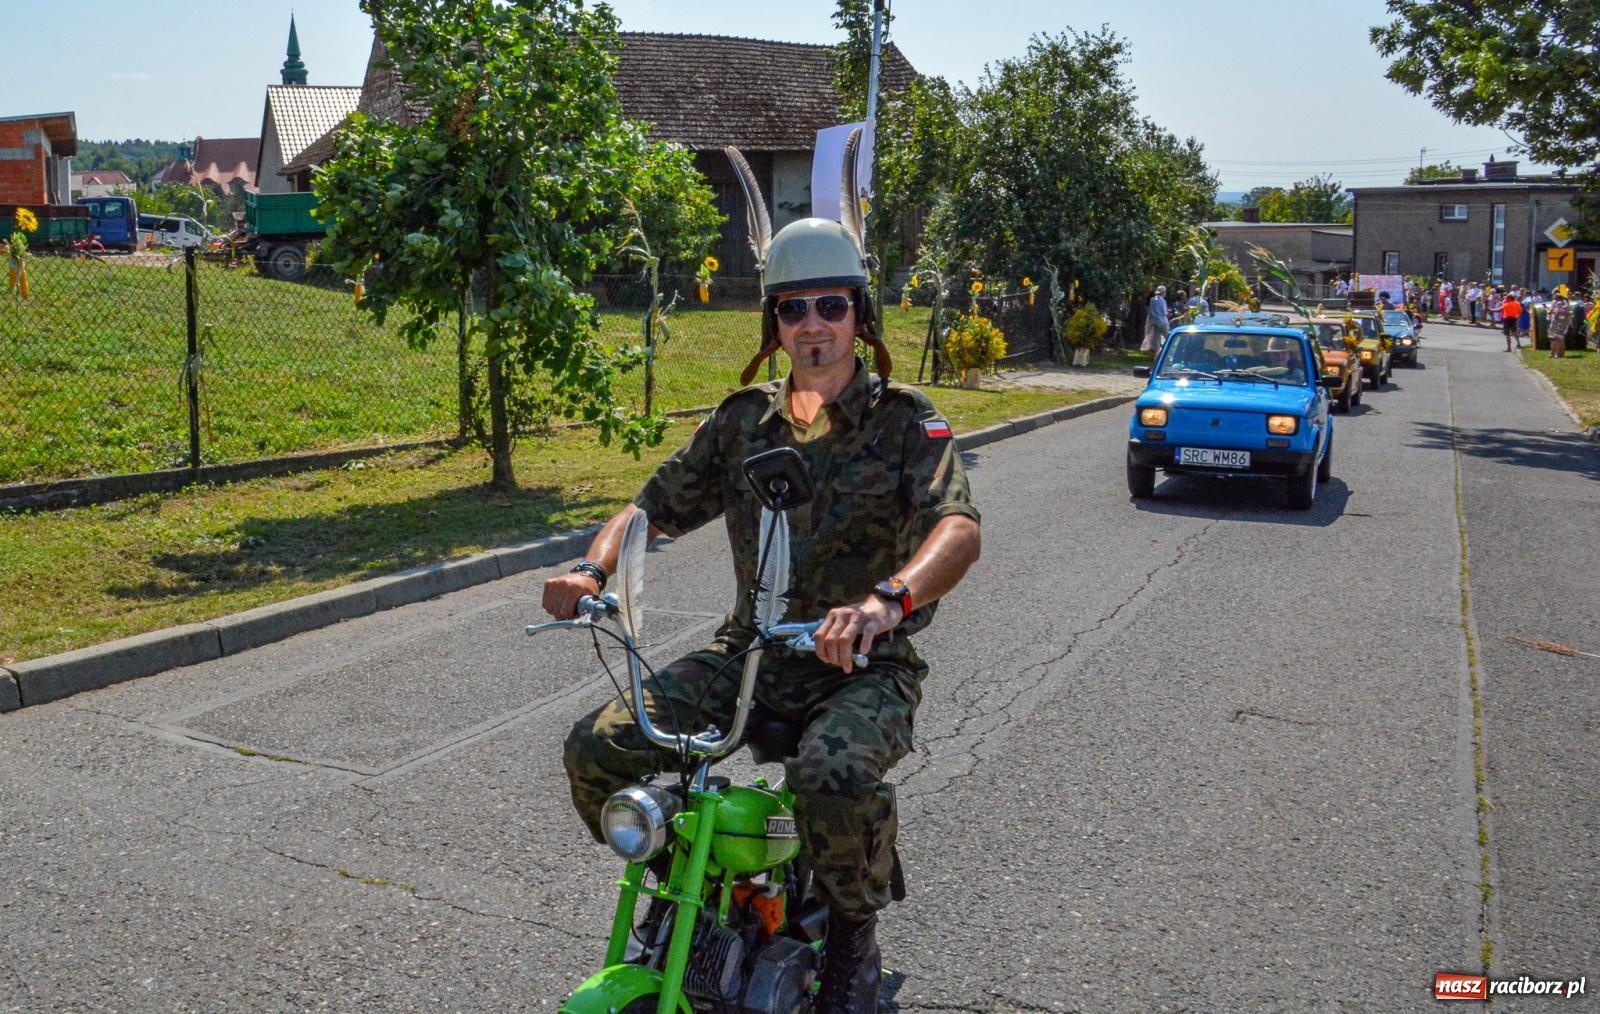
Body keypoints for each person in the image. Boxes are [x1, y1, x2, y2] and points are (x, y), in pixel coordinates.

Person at [548, 217, 982, 1013]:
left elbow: (957, 529)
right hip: (750, 653)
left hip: (863, 666)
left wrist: (884, 603)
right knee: (596, 748)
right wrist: (591, 567)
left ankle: (851, 943)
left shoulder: (904, 420)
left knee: (830, 776)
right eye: (793, 308)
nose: (813, 324)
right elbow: (650, 508)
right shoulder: (742, 421)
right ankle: (691, 894)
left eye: (830, 305)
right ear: (774, 323)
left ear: (859, 314)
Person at [1143, 285, 1169, 353]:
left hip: (1154, 321)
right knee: (1168, 336)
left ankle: (1157, 353)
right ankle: (1169, 350)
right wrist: (1168, 312)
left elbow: (1150, 311)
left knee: (1157, 339)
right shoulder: (1163, 301)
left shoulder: (1152, 300)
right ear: (1163, 292)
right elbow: (1164, 312)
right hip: (1162, 321)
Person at [1548, 290, 1571, 358]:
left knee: (1559, 338)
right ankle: (1552, 353)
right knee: (1553, 338)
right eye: (1555, 298)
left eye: (1557, 298)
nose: (1556, 300)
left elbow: (1567, 313)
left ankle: (1559, 353)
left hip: (1562, 323)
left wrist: (1563, 318)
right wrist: (1551, 313)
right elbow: (1551, 311)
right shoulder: (1553, 302)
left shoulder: (1565, 303)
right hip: (1554, 322)